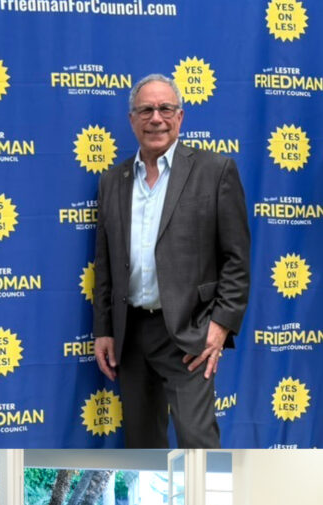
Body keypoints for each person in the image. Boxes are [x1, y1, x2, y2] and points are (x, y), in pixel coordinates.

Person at [92, 72, 251, 448]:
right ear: (132, 120)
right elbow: (105, 263)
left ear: (180, 117)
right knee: (141, 444)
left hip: (188, 332)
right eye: (145, 110)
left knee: (198, 443)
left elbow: (236, 259)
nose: (156, 118)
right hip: (129, 334)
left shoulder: (215, 171)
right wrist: (104, 329)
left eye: (165, 108)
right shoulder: (112, 181)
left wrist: (220, 326)